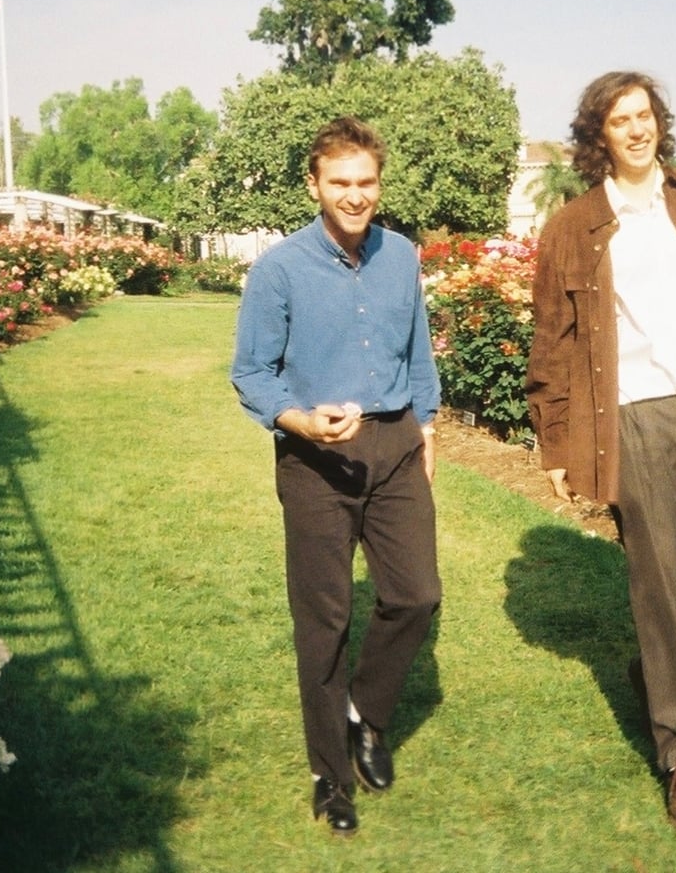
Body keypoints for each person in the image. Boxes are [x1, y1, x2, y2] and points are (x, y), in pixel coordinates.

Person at [524, 72, 676, 833]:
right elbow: (552, 340)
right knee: (659, 578)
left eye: (644, 116)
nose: (635, 130)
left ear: (659, 124)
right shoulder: (576, 224)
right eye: (618, 120)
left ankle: (650, 667)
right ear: (597, 137)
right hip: (629, 415)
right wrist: (558, 440)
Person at [231, 116, 442, 836]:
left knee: (416, 596)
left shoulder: (402, 255)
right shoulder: (280, 269)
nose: (355, 197)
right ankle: (330, 777)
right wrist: (300, 421)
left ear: (379, 183)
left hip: (396, 444)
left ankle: (366, 714)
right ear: (314, 185)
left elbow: (418, 351)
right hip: (315, 457)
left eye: (366, 183)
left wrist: (428, 425)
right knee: (324, 623)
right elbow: (251, 373)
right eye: (341, 184)